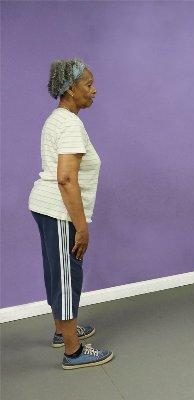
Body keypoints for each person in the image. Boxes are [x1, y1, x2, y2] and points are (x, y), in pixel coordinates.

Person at [29, 58, 114, 369]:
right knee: (68, 277)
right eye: (88, 84)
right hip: (59, 210)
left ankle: (60, 330)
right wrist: (81, 227)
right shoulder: (70, 124)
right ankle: (73, 351)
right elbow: (66, 178)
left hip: (46, 207)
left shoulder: (57, 118)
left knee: (56, 271)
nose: (94, 90)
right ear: (70, 89)